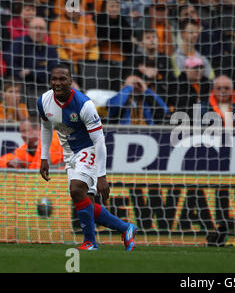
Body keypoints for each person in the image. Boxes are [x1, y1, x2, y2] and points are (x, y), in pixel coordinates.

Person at [37, 63, 137, 251]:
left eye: (62, 79)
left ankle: (90, 242)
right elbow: (46, 126)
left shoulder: (84, 105)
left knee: (76, 189)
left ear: (71, 81)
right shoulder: (43, 101)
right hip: (69, 152)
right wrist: (44, 157)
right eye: (54, 79)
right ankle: (126, 228)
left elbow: (99, 141)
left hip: (88, 148)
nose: (57, 83)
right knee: (83, 199)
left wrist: (101, 176)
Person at [4, 17, 58, 108]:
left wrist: (30, 72)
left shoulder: (51, 50)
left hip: (44, 86)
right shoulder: (18, 44)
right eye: (35, 28)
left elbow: (53, 73)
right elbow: (13, 68)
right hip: (21, 85)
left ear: (46, 31)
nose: (38, 31)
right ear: (28, 29)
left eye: (41, 28)